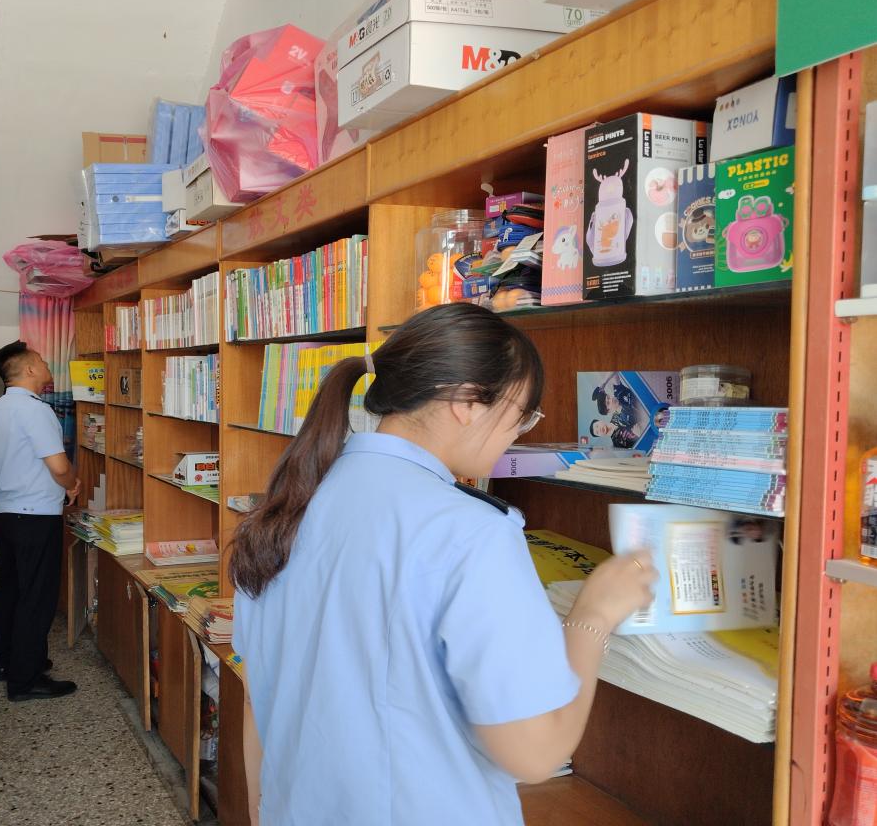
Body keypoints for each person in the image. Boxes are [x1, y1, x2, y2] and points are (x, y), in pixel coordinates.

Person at [230, 303, 657, 825]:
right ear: (467, 402)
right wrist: (593, 616)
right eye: (522, 415)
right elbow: (535, 754)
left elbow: (256, 701)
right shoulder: (472, 531)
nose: (517, 433)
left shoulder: (289, 504)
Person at [0, 341, 80, 702]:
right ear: (30, 369)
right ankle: (26, 679)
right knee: (36, 596)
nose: (47, 364)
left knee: (11, 590)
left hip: (3, 513)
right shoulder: (36, 411)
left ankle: (6, 662)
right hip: (35, 515)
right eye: (41, 360)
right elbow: (59, 467)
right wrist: (73, 484)